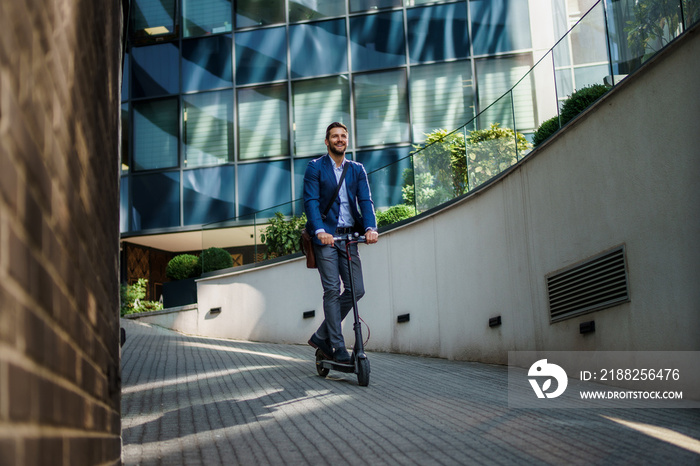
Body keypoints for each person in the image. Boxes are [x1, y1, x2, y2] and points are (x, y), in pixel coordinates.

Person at [303, 122, 379, 363]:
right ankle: (337, 347)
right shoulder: (315, 167)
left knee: (357, 288)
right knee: (333, 290)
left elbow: (366, 201)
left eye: (343, 136)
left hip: (348, 238)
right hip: (326, 238)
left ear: (347, 140)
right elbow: (311, 202)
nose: (339, 139)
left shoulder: (357, 169)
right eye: (334, 136)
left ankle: (322, 335)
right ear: (327, 141)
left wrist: (369, 228)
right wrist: (319, 231)